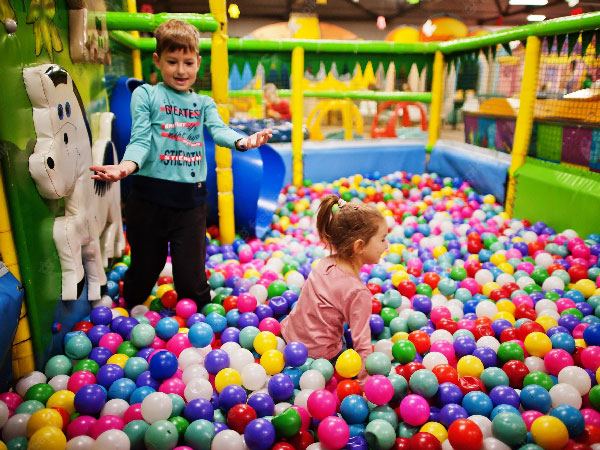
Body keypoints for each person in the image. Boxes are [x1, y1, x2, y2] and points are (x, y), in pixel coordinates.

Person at [90, 19, 272, 309]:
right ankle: (127, 307)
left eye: (188, 62)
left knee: (191, 276)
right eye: (172, 61)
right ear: (157, 60)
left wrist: (243, 142)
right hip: (148, 200)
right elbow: (140, 139)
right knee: (145, 268)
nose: (180, 70)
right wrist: (125, 167)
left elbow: (219, 130)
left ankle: (199, 326)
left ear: (198, 62)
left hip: (190, 204)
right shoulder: (146, 95)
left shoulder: (203, 103)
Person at [280, 195, 388, 383]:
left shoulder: (325, 263)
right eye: (382, 240)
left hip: (289, 336)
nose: (386, 246)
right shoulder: (358, 292)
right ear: (360, 246)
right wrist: (365, 383)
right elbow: (362, 345)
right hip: (320, 356)